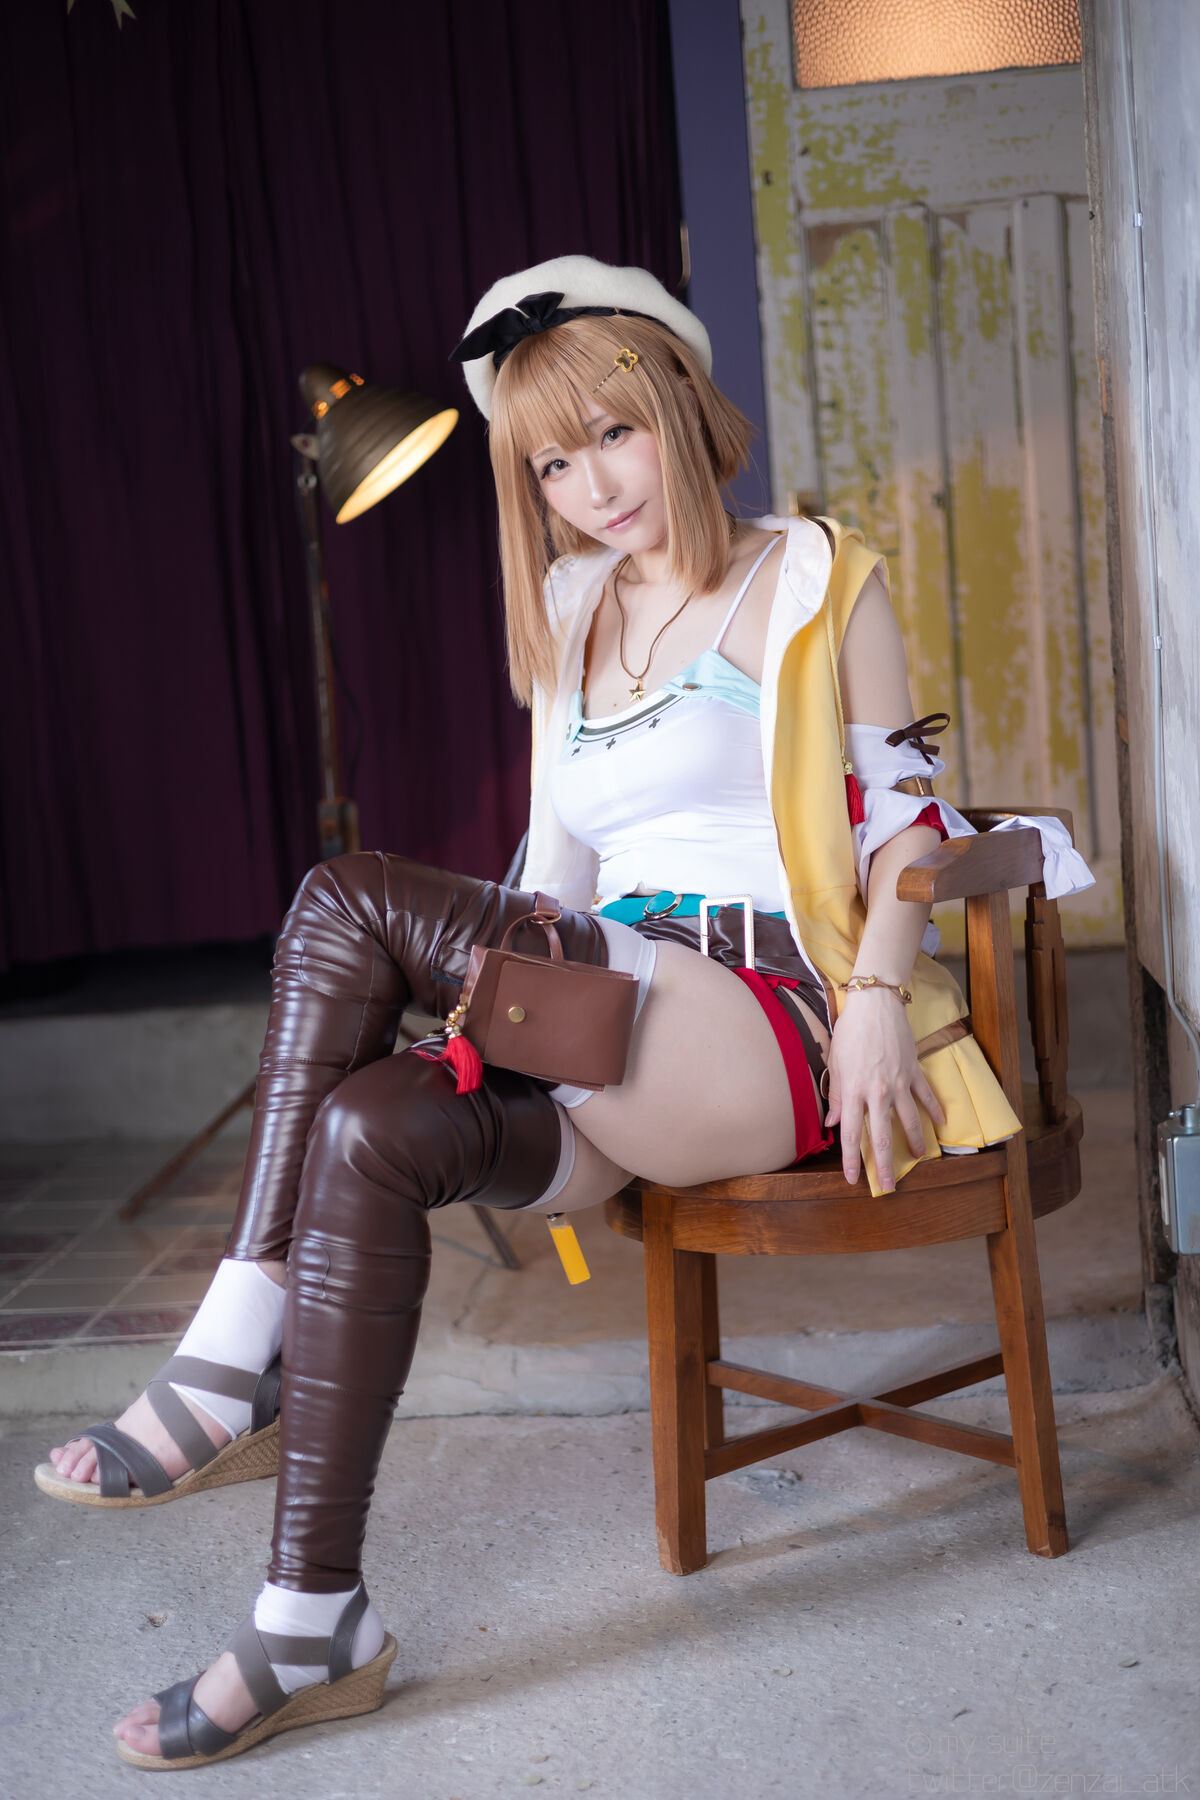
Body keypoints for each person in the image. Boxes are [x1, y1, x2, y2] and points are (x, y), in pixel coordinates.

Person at [34, 256, 1091, 1769]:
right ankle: (311, 1619)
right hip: (610, 1015)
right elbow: (559, 875)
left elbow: (910, 827)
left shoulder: (815, 575)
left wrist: (871, 997)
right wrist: (478, 1007)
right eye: (549, 463)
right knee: (367, 1126)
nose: (591, 486)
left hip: (768, 1019)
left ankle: (232, 1345)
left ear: (680, 406)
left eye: (613, 434)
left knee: (344, 899)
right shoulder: (571, 607)